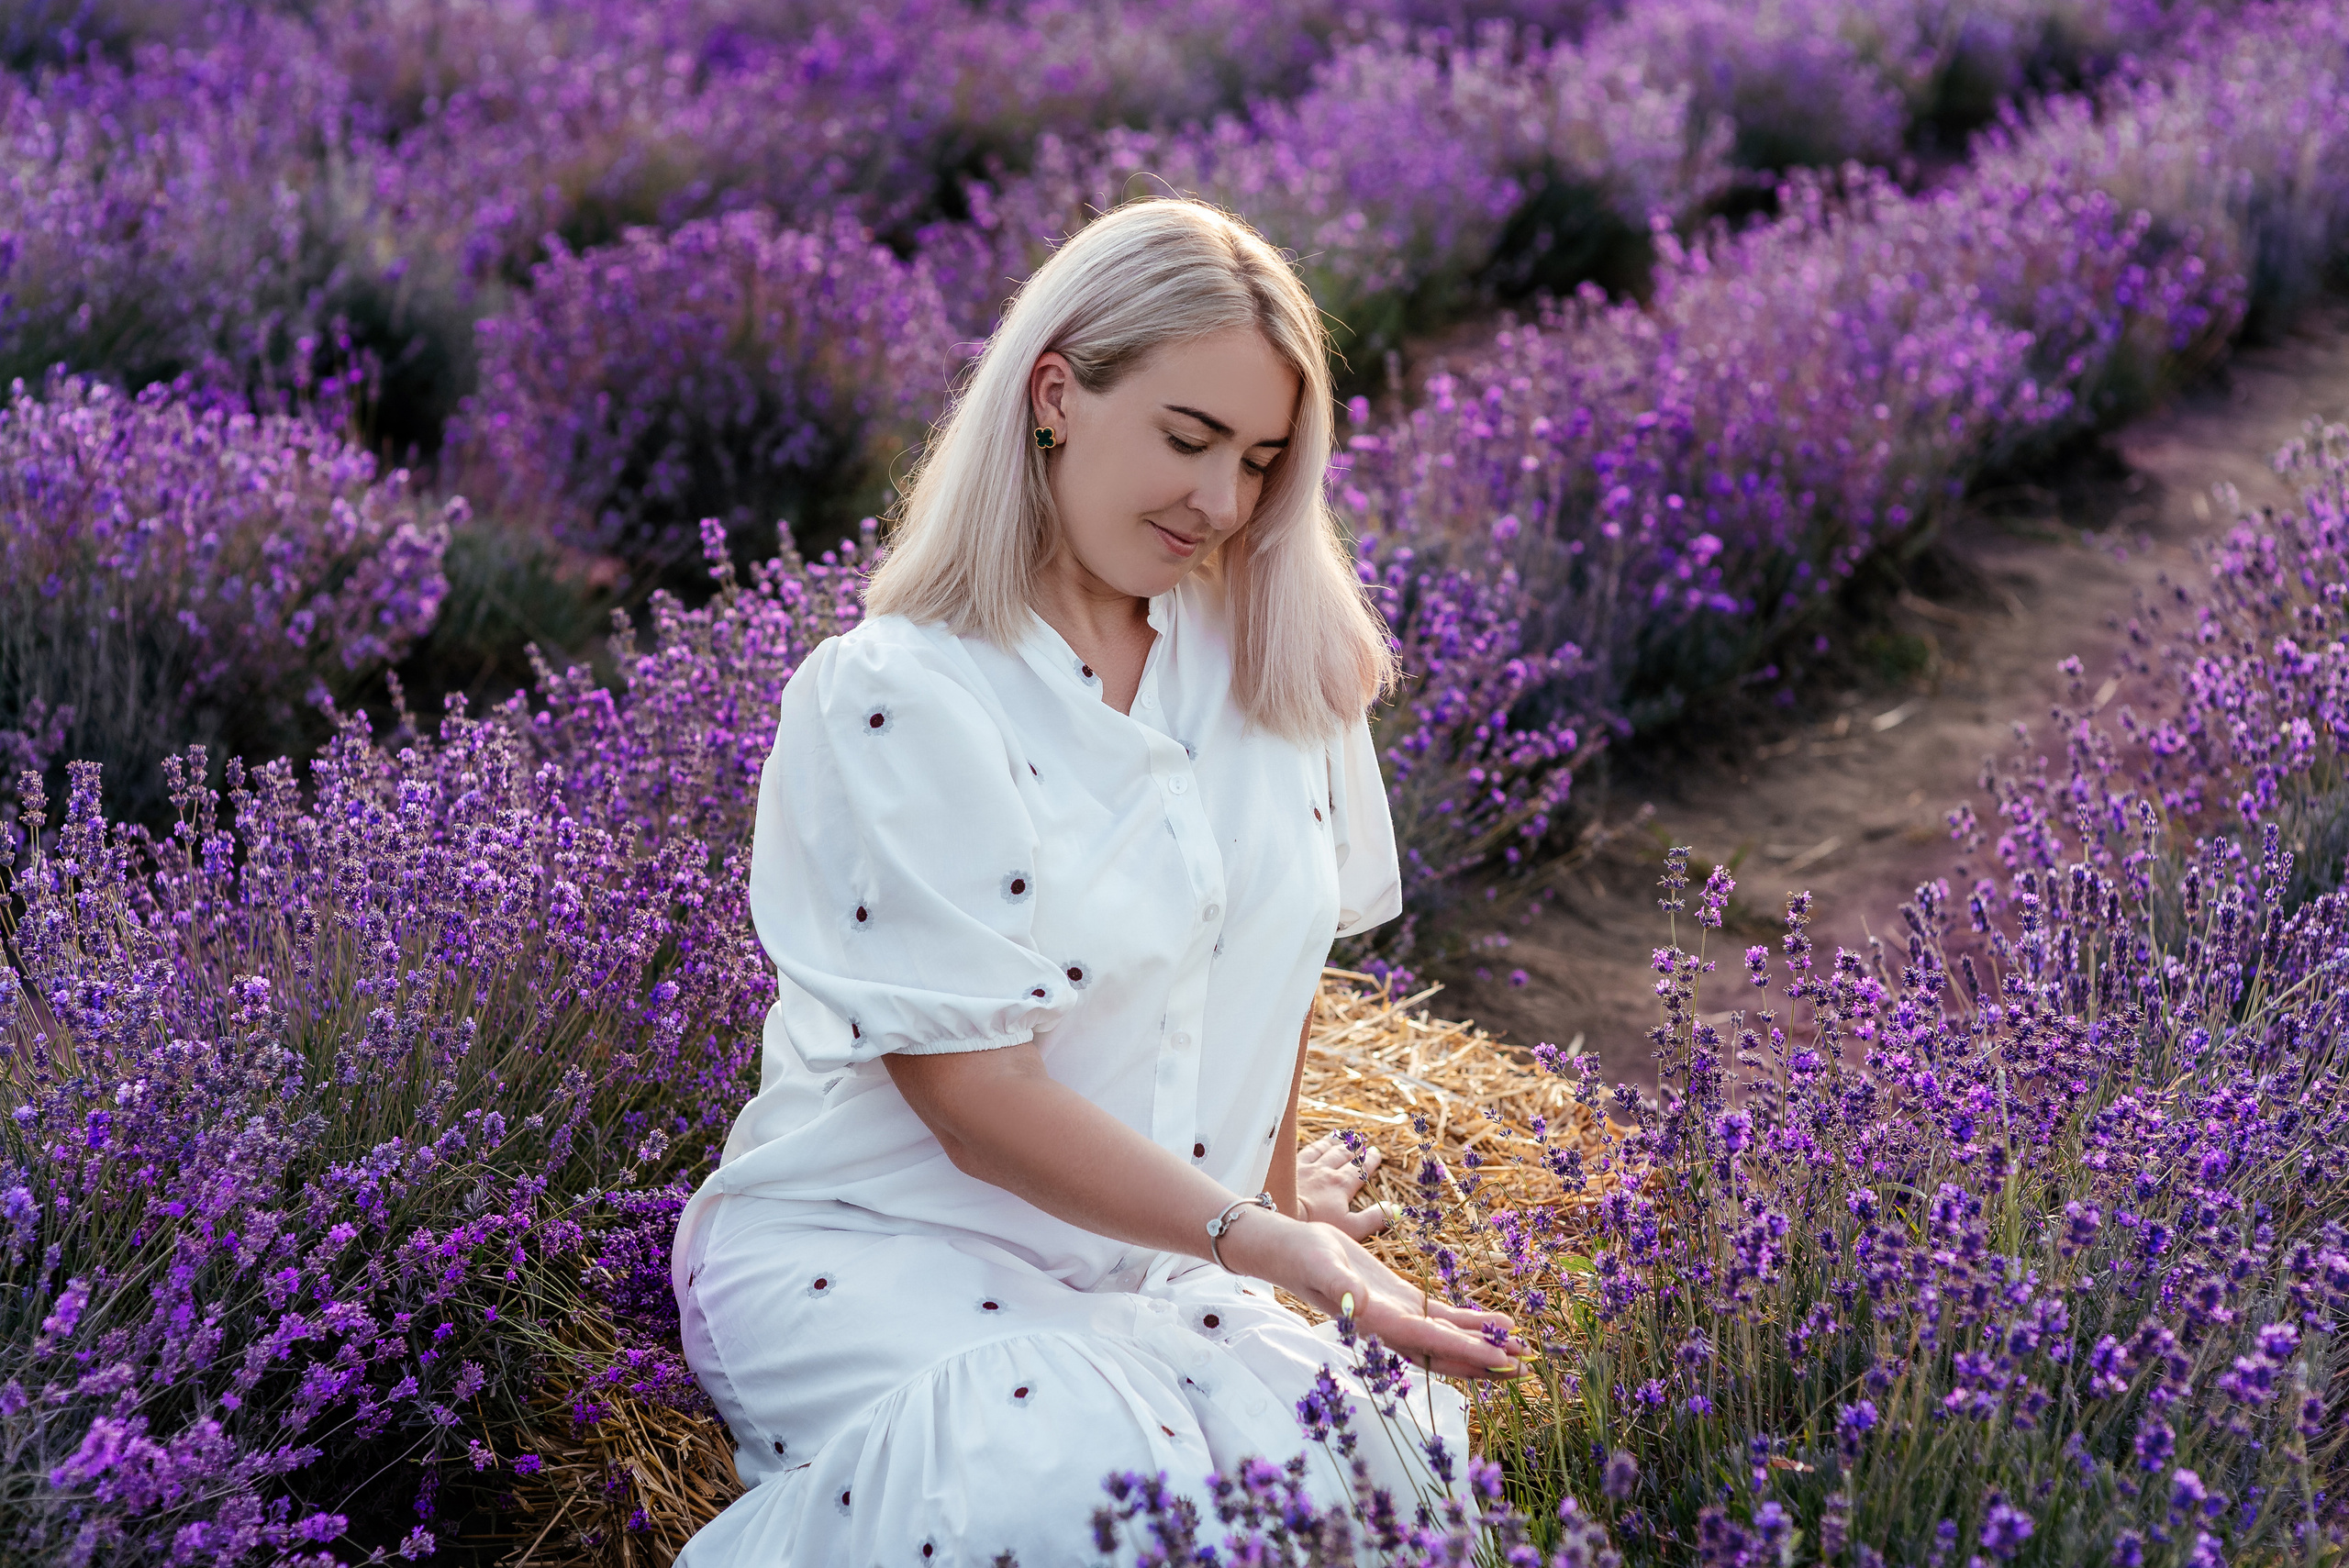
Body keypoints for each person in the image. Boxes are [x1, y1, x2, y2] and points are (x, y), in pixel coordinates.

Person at [670, 196, 1525, 1566]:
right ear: (1056, 395)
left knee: (1355, 1488)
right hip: (885, 1244)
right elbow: (972, 1099)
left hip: (1155, 1257)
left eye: (1258, 459)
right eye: (1187, 440)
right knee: (1073, 1477)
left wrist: (1283, 1196)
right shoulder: (903, 694)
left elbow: (1275, 962)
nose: (1222, 502)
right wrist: (1258, 1238)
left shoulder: (1278, 656)